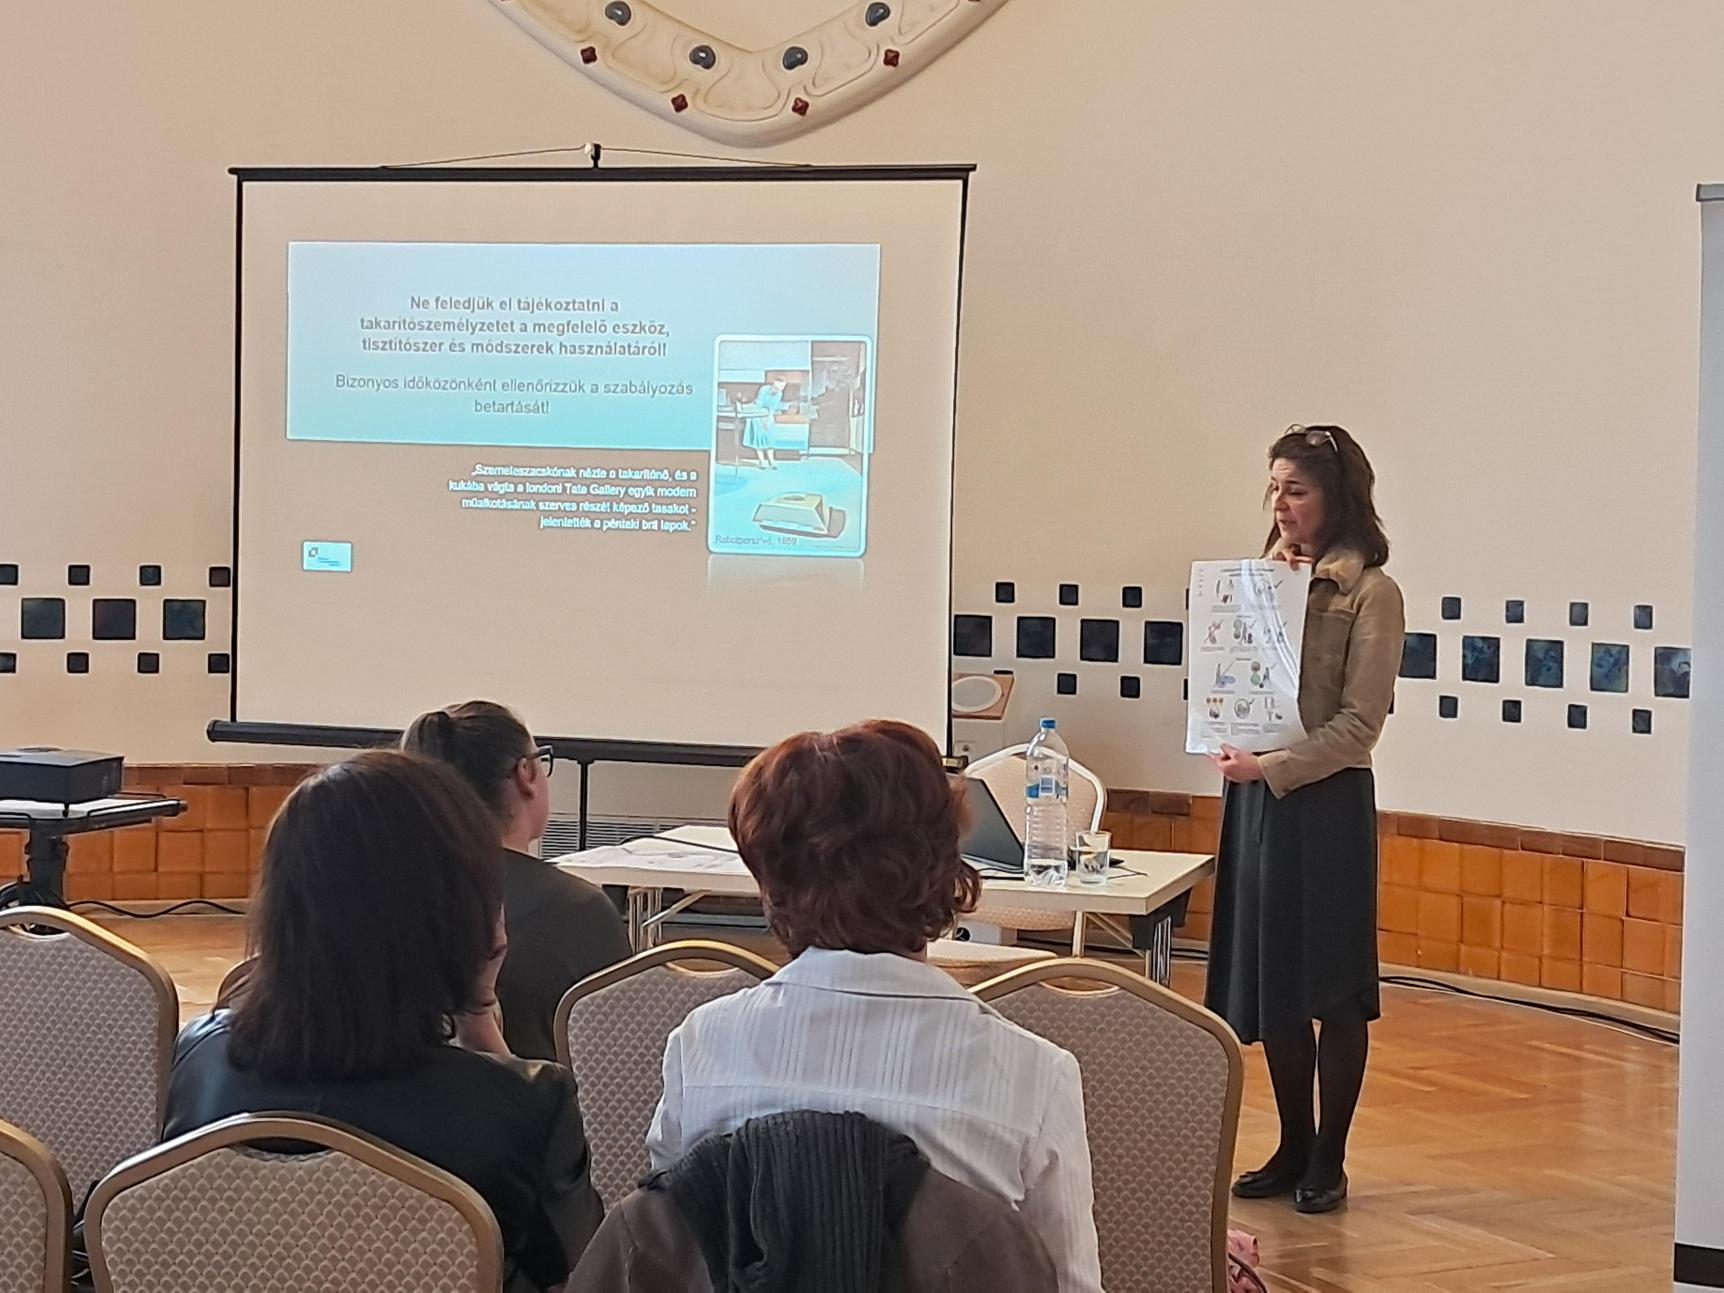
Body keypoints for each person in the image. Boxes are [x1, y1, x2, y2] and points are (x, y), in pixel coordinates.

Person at [645, 720, 1103, 1293]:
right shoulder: (1035, 1076)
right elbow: (1068, 1284)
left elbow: (672, 1256)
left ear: (768, 876)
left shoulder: (701, 1047)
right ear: (947, 868)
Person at [164, 752, 604, 1292]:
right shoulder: (523, 1108)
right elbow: (591, 1273)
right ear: (464, 912)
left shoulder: (199, 1060)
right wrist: (480, 1014)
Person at [1204, 424, 1405, 1215]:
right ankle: (1291, 1143)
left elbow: (1360, 725)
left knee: (1335, 985)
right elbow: (1232, 684)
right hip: (1256, 799)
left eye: (1298, 489)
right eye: (1275, 488)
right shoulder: (1258, 580)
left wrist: (1273, 766)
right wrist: (1225, 738)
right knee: (1274, 981)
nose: (1281, 504)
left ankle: (1330, 1156)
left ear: (1337, 497)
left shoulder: (1371, 591)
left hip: (1326, 804)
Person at [402, 701, 631, 1062]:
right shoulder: (579, 910)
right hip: (542, 1097)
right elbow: (619, 1059)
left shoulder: (381, 898)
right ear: (526, 774)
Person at [739, 376, 788, 469]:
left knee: (769, 437)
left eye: (783, 386)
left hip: (767, 414)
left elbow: (772, 408)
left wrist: (768, 420)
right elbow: (759, 404)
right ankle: (761, 461)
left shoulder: (779, 394)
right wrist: (762, 418)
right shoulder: (764, 389)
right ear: (775, 383)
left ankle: (771, 460)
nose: (781, 388)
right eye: (780, 385)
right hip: (756, 412)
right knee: (759, 436)